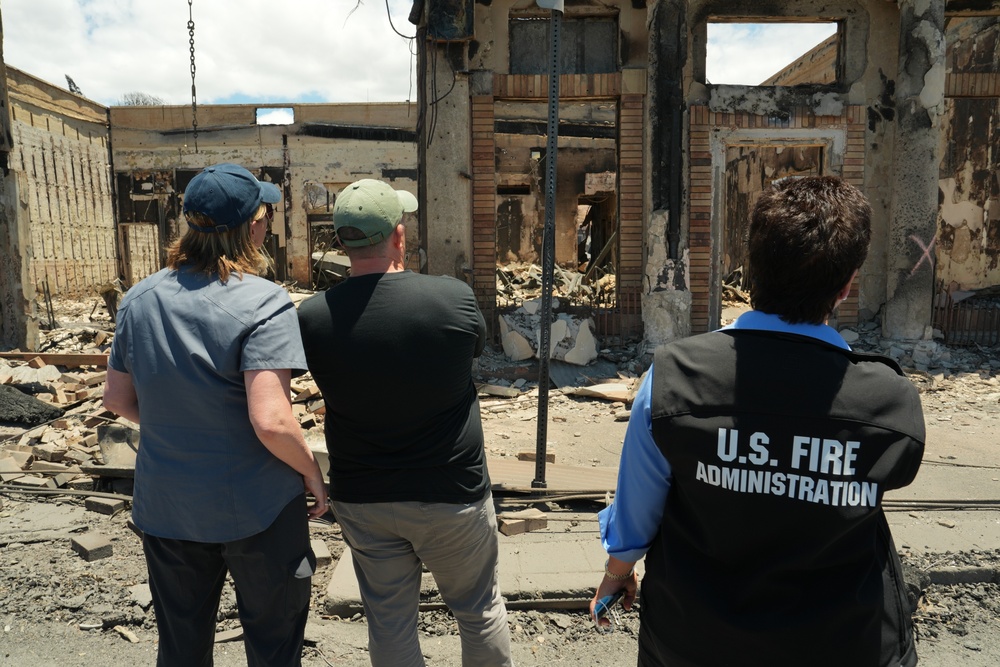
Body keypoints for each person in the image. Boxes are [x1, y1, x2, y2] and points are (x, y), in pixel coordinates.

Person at [591, 176, 926, 667]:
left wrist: (618, 573)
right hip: (842, 642)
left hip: (696, 641)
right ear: (847, 284)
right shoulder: (888, 402)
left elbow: (639, 504)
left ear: (750, 267)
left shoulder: (674, 378)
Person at [103, 163, 328, 667]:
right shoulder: (265, 301)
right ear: (250, 227)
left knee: (181, 646)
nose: (267, 223)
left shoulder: (139, 299)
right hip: (258, 509)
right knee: (274, 643)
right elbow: (270, 420)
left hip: (167, 507)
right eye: (265, 215)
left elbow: (116, 400)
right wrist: (311, 472)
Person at [298, 179, 513, 667]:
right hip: (451, 494)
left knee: (390, 622)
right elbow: (472, 350)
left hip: (365, 498)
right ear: (398, 235)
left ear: (342, 242)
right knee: (479, 611)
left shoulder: (312, 318)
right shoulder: (452, 300)